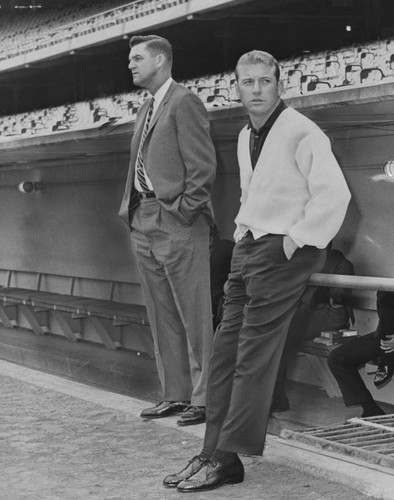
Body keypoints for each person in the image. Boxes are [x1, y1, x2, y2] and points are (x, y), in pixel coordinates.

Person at [163, 50, 351, 492]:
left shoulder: (302, 131)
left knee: (251, 357)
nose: (257, 90)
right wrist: (244, 234)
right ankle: (211, 452)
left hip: (283, 252)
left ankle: (227, 458)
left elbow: (335, 196)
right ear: (237, 88)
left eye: (265, 81)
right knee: (223, 357)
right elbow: (254, 197)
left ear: (280, 85)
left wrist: (296, 238)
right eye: (248, 83)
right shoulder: (247, 134)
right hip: (248, 249)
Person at [118, 35, 217, 426]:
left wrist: (183, 212)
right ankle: (175, 394)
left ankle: (205, 398)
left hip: (177, 220)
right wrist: (133, 212)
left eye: (137, 58)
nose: (131, 64)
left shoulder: (185, 101)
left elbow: (203, 168)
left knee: (194, 313)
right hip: (142, 219)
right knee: (162, 314)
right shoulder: (145, 109)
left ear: (160, 60)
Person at [272, 247, 355, 412]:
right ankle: (275, 397)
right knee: (280, 337)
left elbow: (338, 297)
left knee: (280, 337)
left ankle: (276, 398)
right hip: (321, 312)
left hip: (328, 315)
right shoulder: (329, 261)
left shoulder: (331, 261)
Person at [328, 291, 394, 417]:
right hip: (386, 339)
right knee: (337, 358)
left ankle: (387, 358)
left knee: (387, 294)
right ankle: (371, 411)